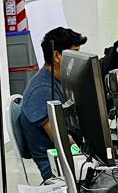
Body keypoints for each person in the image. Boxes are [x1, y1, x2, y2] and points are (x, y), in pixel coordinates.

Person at [19, 27, 87, 181]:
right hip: (56, 167)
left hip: (71, 158)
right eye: (75, 54)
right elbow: (61, 139)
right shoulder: (41, 90)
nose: (78, 60)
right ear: (57, 56)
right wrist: (86, 159)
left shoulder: (61, 80)